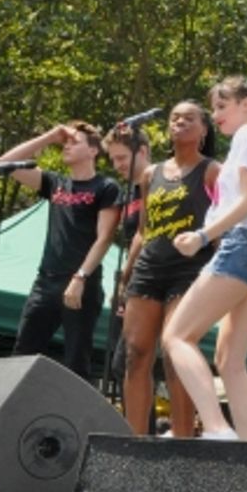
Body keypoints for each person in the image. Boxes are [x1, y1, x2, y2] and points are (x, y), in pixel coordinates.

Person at [163, 76, 247, 441]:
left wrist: (204, 235)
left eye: (221, 106)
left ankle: (217, 427)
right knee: (230, 360)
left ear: (244, 104)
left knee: (176, 337)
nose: (215, 115)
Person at [115, 103, 220, 437]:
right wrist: (127, 274)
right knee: (135, 354)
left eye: (190, 118)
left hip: (190, 270)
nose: (180, 122)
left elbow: (221, 227)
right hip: (149, 268)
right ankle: (136, 440)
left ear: (204, 129)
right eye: (175, 117)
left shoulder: (212, 171)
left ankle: (183, 439)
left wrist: (222, 275)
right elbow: (143, 231)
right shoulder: (150, 174)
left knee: (175, 353)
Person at [0, 122, 120, 379]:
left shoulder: (106, 187)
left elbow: (105, 238)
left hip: (81, 284)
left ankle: (75, 418)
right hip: (46, 281)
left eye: (74, 142)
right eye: (65, 142)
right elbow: (6, 163)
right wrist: (49, 136)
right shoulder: (55, 183)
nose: (66, 146)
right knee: (22, 354)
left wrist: (80, 277)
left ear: (93, 151)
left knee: (77, 361)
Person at [103, 126, 151, 392]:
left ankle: (143, 432)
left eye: (121, 158)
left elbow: (143, 236)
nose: (116, 165)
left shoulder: (157, 182)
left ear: (142, 151)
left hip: (151, 281)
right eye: (113, 159)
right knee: (122, 364)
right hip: (134, 284)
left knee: (132, 362)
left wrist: (125, 276)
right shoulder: (128, 193)